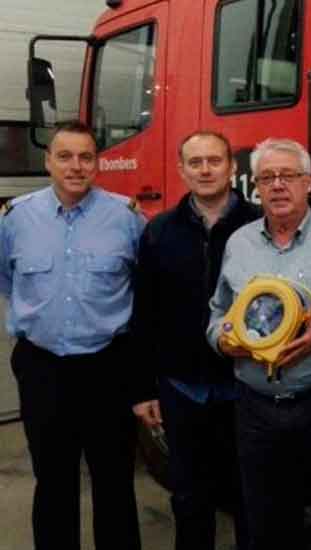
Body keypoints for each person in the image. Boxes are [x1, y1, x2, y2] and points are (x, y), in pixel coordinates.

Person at [207, 138, 311, 550]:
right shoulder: (239, 244)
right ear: (254, 186)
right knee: (266, 523)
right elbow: (217, 314)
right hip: (256, 409)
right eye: (267, 177)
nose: (277, 185)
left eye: (288, 176)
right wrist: (224, 343)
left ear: (308, 182)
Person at [0, 120, 145, 549]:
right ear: (48, 162)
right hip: (42, 366)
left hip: (109, 367)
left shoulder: (127, 217)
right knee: (53, 481)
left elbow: (143, 283)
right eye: (65, 156)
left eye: (86, 156)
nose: (75, 166)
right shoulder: (16, 218)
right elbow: (8, 278)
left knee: (115, 481)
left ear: (98, 163)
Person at [130, 130, 260, 550]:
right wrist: (144, 388)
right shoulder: (160, 231)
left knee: (250, 495)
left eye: (214, 161)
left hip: (245, 384)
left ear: (232, 167)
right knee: (189, 498)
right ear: (181, 170)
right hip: (182, 387)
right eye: (196, 162)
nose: (205, 170)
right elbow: (144, 313)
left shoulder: (260, 225)